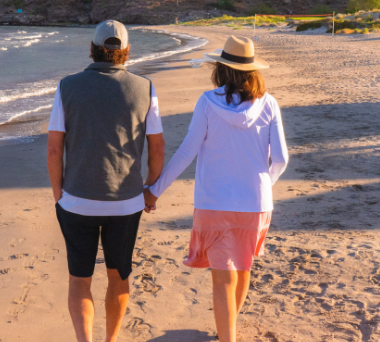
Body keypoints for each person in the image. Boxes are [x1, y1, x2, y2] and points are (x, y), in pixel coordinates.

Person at [144, 36, 289, 342]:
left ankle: (227, 336)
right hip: (257, 204)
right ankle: (229, 331)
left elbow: (186, 152)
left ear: (221, 69)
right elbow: (281, 159)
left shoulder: (208, 102)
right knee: (243, 268)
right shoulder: (270, 103)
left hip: (215, 204)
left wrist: (155, 190)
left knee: (222, 277)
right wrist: (264, 185)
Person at [47, 20, 166, 342]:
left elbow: (55, 148)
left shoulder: (67, 86)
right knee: (118, 276)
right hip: (126, 202)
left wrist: (59, 192)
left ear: (93, 48)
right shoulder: (145, 87)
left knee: (79, 280)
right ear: (125, 51)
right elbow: (157, 147)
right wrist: (151, 190)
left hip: (76, 200)